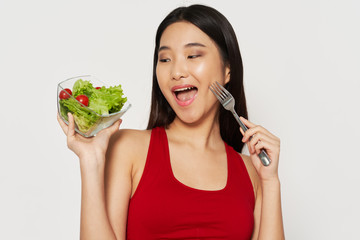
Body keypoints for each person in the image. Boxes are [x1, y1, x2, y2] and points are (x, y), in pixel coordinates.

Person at [58, 4, 284, 240]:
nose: (176, 71)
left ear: (227, 70)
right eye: (164, 59)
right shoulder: (129, 148)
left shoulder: (253, 171)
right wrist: (91, 162)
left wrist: (271, 182)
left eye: (193, 55)